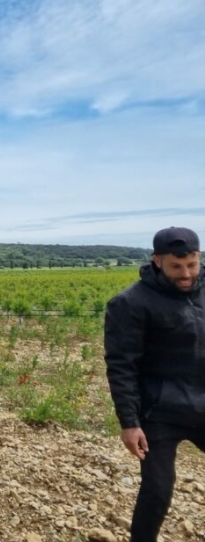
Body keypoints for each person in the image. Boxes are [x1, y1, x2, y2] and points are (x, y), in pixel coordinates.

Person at [104, 226, 205, 542]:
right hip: (159, 412)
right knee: (158, 491)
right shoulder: (130, 303)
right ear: (157, 261)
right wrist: (129, 422)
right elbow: (122, 366)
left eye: (192, 265)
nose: (186, 273)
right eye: (176, 267)